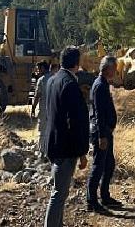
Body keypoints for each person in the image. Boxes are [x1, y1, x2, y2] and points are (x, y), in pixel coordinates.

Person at [42, 47, 89, 227]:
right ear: (77, 63)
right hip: (65, 146)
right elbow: (76, 122)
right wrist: (82, 152)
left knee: (59, 192)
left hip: (53, 142)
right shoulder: (69, 84)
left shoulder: (52, 80)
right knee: (59, 194)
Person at [86, 56, 121, 212]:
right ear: (107, 68)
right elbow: (99, 113)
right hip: (101, 132)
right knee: (99, 165)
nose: (116, 71)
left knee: (109, 164)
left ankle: (105, 196)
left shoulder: (103, 84)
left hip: (105, 130)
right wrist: (102, 136)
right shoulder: (99, 86)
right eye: (114, 68)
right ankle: (91, 201)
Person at [31, 61, 51, 154]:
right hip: (54, 110)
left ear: (43, 68)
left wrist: (33, 108)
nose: (37, 71)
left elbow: (37, 95)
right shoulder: (55, 78)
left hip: (44, 110)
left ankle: (43, 152)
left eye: (39, 69)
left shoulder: (41, 80)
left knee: (42, 130)